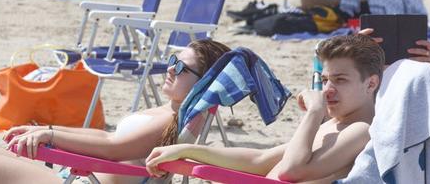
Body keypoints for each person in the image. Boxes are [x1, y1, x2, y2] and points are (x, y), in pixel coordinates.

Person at [0, 39, 232, 184]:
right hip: (76, 174)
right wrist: (45, 129)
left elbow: (113, 149)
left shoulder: (169, 120)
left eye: (181, 67)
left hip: (82, 183)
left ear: (201, 83)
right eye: (172, 62)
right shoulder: (167, 110)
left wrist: (51, 135)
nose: (170, 69)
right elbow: (106, 136)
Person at [143, 35, 382, 182]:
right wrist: (187, 150)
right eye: (325, 79)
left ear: (371, 83)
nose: (327, 89)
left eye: (340, 80)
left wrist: (313, 113)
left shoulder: (361, 130)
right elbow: (261, 159)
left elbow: (291, 172)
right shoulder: (335, 125)